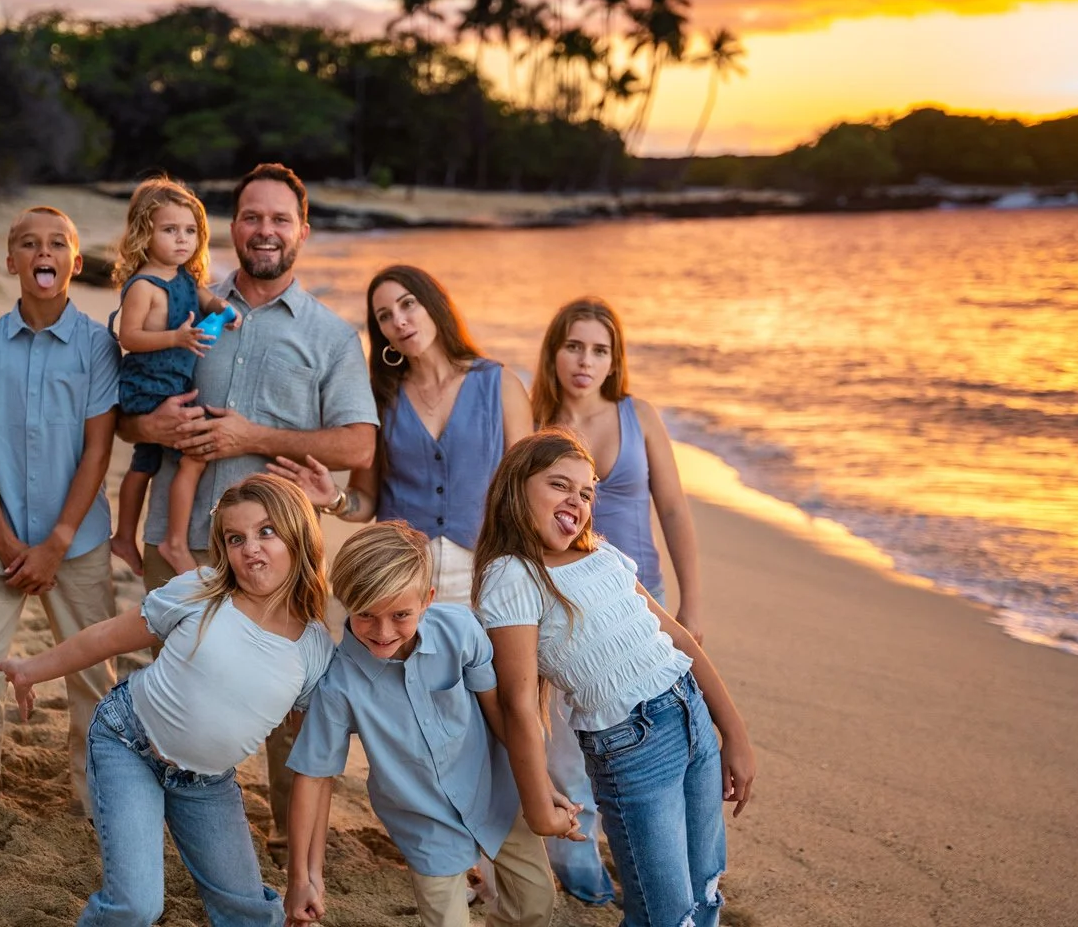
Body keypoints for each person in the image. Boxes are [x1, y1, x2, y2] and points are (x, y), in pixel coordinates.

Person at [119, 162, 377, 855]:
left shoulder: (329, 335)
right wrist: (150, 426)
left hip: (281, 554)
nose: (266, 231)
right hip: (180, 539)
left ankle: (292, 844)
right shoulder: (185, 306)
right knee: (171, 690)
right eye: (253, 217)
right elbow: (130, 412)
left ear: (303, 231)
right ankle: (165, 833)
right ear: (233, 228)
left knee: (290, 707)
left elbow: (358, 442)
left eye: (280, 219)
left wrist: (254, 437)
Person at [0, 475, 334, 927]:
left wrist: (305, 877)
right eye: (236, 538)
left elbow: (313, 769)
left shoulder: (313, 648)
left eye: (266, 531)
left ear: (300, 534)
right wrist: (31, 669)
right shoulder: (203, 591)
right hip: (127, 744)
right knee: (137, 906)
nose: (250, 548)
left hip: (206, 784)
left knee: (253, 915)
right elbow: (107, 638)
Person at [472, 429, 755, 927]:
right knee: (667, 915)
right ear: (516, 487)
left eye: (586, 493)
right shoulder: (512, 575)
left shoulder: (601, 554)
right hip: (632, 748)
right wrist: (538, 803)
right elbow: (517, 701)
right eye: (559, 485)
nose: (576, 501)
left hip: (691, 717)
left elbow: (678, 641)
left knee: (706, 890)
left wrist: (734, 733)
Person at [284, 521, 568, 927]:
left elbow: (500, 716)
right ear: (345, 601)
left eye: (401, 615)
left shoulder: (461, 631)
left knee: (535, 903)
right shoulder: (338, 685)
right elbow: (313, 777)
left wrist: (541, 785)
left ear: (427, 599)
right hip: (424, 825)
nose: (383, 632)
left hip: (495, 794)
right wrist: (303, 877)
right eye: (366, 615)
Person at [0, 206, 120, 817]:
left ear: (75, 261)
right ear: (10, 260)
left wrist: (57, 542)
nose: (43, 252)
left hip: (78, 542)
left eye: (57, 244)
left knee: (92, 674)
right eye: (28, 243)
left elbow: (98, 451)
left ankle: (97, 803)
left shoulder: (98, 347)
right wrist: (4, 539)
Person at [529, 296, 707, 904]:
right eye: (574, 346)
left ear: (615, 359)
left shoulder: (639, 416)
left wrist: (692, 605)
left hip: (642, 599)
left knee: (662, 737)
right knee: (568, 750)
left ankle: (659, 866)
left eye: (599, 350)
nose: (585, 360)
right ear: (554, 353)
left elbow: (674, 510)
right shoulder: (533, 424)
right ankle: (584, 878)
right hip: (563, 607)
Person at [268, 264, 533, 606]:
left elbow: (526, 490)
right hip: (400, 575)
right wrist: (334, 497)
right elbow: (365, 501)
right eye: (385, 316)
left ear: (434, 305)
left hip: (485, 572)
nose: (399, 321)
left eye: (408, 304)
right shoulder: (380, 399)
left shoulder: (501, 385)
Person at [106, 177, 238, 578]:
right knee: (194, 457)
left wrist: (225, 311)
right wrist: (175, 337)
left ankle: (124, 537)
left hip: (173, 384)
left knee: (145, 463)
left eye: (190, 231)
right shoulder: (143, 286)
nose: (182, 239)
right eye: (169, 230)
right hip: (148, 384)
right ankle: (174, 542)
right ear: (144, 234)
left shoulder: (185, 279)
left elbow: (208, 300)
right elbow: (129, 337)